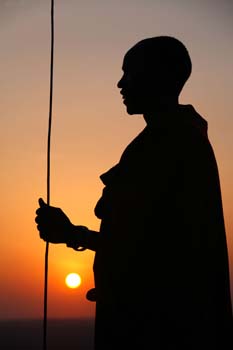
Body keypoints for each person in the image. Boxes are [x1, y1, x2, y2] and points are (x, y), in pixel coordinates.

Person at [35, 36, 233, 349]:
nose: (120, 83)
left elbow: (155, 249)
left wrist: (71, 234)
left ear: (159, 76)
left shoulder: (171, 144)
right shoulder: (169, 139)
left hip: (159, 331)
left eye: (130, 73)